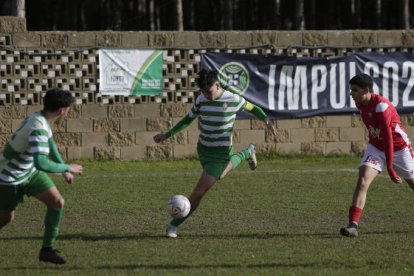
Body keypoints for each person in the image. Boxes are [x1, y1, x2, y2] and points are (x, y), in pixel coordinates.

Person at [154, 69, 276, 238]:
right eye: (203, 92)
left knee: (198, 193)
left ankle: (173, 226)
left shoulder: (233, 99)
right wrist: (167, 134)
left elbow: (252, 107)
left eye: (209, 91)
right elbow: (187, 120)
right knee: (220, 176)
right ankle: (247, 152)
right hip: (204, 150)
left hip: (221, 153)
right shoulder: (201, 100)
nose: (206, 95)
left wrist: (265, 120)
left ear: (217, 85)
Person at [0, 88, 84, 264]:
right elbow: (42, 163)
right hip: (7, 178)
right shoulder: (39, 127)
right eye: (68, 109)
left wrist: (63, 170)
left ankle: (47, 250)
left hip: (29, 173)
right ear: (63, 110)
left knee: (57, 202)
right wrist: (69, 166)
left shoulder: (41, 118)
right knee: (7, 217)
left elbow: (50, 143)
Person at [340, 73, 414, 237]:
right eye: (351, 90)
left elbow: (388, 137)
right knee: (363, 180)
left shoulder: (381, 107)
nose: (351, 93)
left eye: (355, 90)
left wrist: (390, 167)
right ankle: (353, 226)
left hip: (399, 149)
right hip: (376, 147)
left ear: (366, 90)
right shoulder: (360, 103)